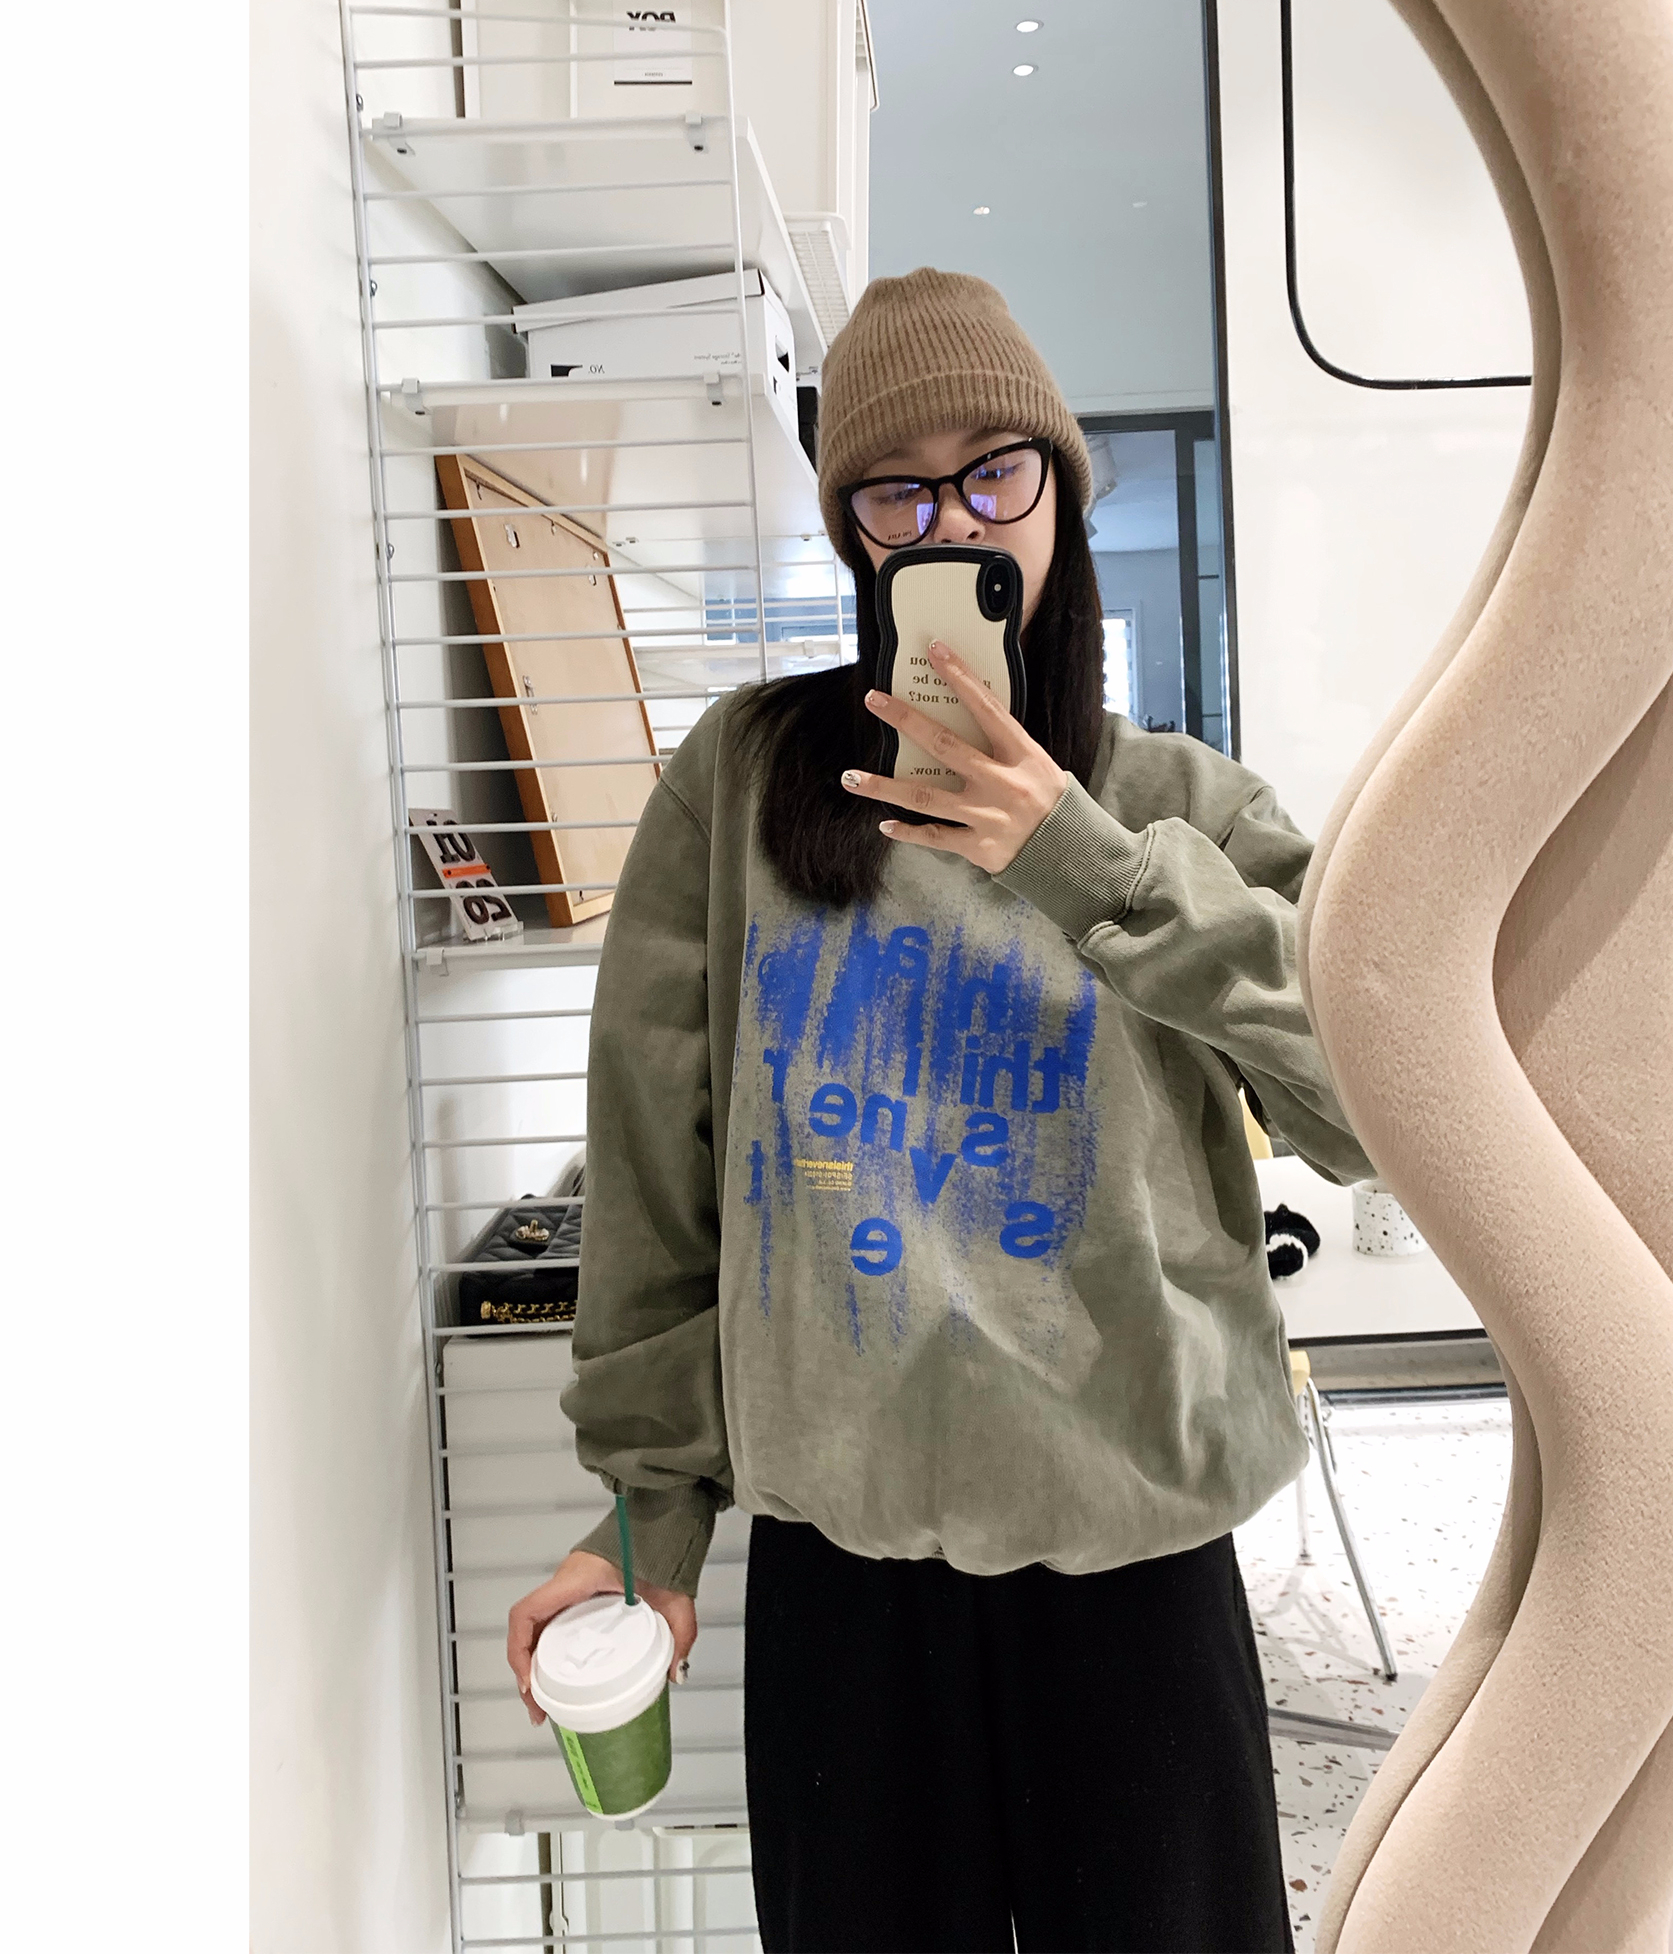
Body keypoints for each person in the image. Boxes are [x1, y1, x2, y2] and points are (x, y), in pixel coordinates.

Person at [506, 268, 1371, 1954]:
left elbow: (1370, 1107)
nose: (953, 518)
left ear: (1058, 490)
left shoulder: (1179, 806)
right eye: (897, 491)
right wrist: (645, 1519)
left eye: (994, 472)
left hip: (1134, 1553)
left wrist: (1089, 867)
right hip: (849, 1576)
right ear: (853, 533)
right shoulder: (742, 784)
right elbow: (658, 1171)